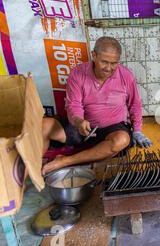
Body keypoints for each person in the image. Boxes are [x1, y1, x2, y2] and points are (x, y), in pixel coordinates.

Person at [42, 36, 152, 174]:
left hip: (111, 130)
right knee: (44, 125)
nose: (109, 68)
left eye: (114, 63)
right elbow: (73, 104)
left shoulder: (126, 76)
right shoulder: (78, 73)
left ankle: (65, 161)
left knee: (122, 140)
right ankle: (34, 169)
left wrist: (137, 130)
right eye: (104, 62)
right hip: (82, 127)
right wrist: (78, 121)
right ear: (94, 56)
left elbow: (135, 104)